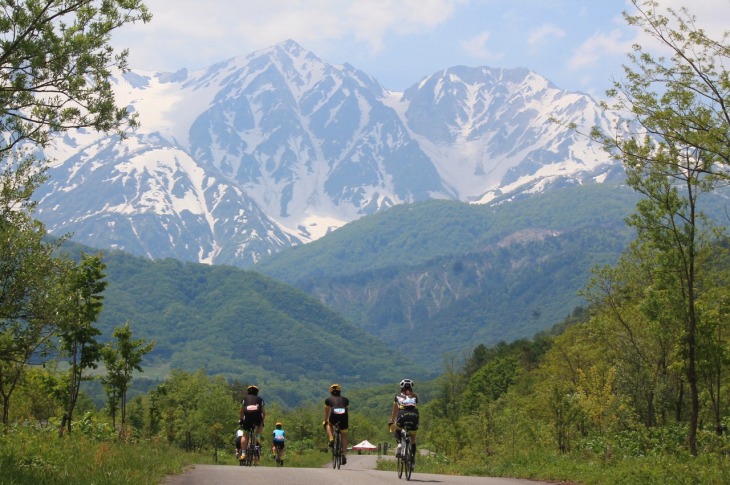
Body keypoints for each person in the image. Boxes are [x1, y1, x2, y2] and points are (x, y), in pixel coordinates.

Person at [388, 378, 419, 470]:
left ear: (401, 387)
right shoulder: (415, 396)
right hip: (414, 416)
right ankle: (412, 459)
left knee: (397, 428)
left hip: (402, 415)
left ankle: (399, 445)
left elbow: (395, 410)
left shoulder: (397, 396)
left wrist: (391, 420)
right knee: (413, 439)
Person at [324, 383, 349, 466]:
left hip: (334, 414)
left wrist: (325, 421)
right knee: (344, 435)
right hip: (344, 416)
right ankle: (344, 455)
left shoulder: (328, 400)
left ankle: (331, 438)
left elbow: (327, 412)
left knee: (329, 424)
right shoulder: (346, 400)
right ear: (340, 391)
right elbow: (346, 411)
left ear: (331, 392)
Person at [239, 385, 266, 461]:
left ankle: (243, 454)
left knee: (244, 435)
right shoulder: (260, 400)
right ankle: (257, 442)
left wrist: (241, 419)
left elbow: (241, 411)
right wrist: (262, 422)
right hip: (257, 417)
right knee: (259, 427)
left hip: (247, 418)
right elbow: (264, 413)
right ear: (257, 392)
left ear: (248, 391)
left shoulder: (244, 399)